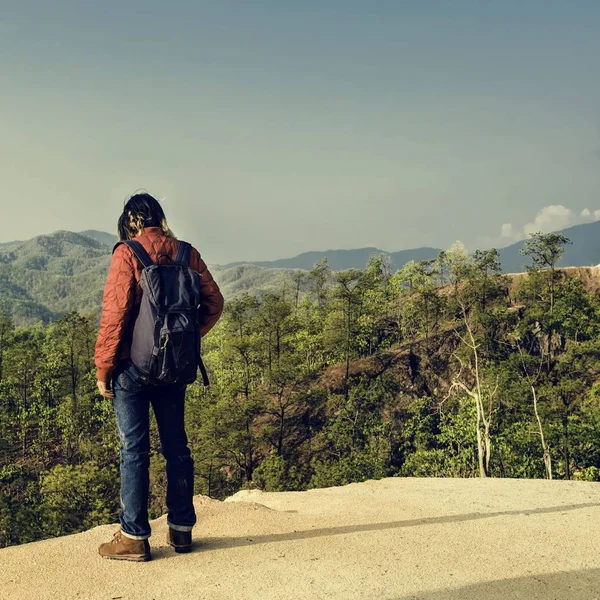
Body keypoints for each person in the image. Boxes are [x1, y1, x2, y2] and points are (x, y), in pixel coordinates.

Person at [95, 193, 224, 561]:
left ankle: (134, 538)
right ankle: (181, 531)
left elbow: (115, 314)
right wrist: (183, 342)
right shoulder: (187, 253)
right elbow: (215, 303)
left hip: (133, 370)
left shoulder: (128, 253)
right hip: (174, 370)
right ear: (161, 218)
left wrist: (104, 368)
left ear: (130, 222)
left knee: (134, 450)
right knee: (176, 447)